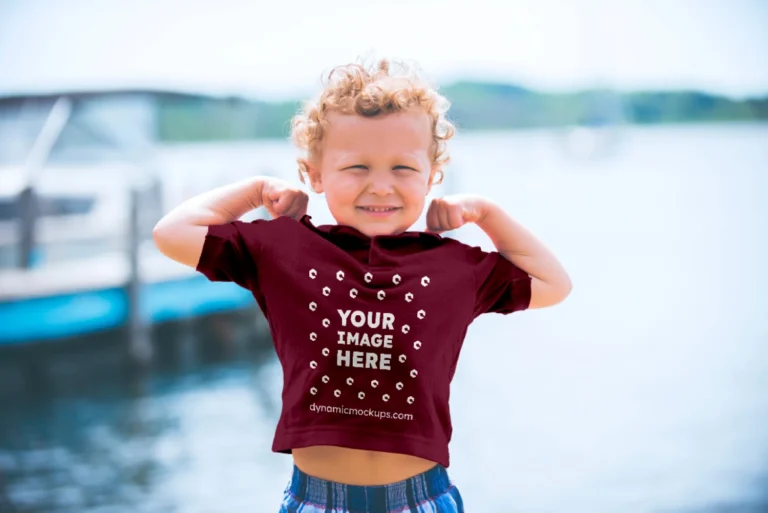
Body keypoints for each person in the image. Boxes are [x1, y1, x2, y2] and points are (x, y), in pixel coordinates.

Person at [153, 58, 572, 513]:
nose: (380, 186)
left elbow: (553, 283)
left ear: (432, 175)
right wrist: (254, 192)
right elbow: (171, 234)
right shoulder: (283, 250)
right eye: (356, 167)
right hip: (316, 500)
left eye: (402, 169)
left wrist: (486, 214)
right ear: (314, 174)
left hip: (421, 498)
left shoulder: (455, 266)